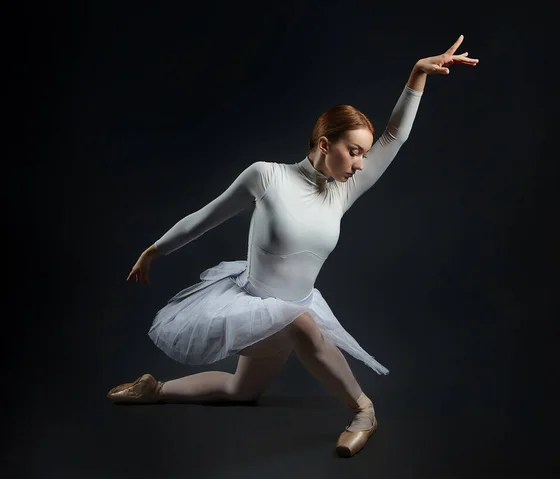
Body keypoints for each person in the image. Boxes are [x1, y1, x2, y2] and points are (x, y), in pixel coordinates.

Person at [107, 35, 478, 457]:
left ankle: (157, 389)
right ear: (324, 144)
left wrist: (416, 76)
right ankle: (363, 410)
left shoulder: (343, 192)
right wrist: (154, 249)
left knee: (240, 390)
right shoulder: (266, 176)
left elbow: (394, 137)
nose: (360, 163)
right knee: (301, 326)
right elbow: (204, 218)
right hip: (253, 307)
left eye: (363, 155)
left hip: (295, 304)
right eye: (353, 151)